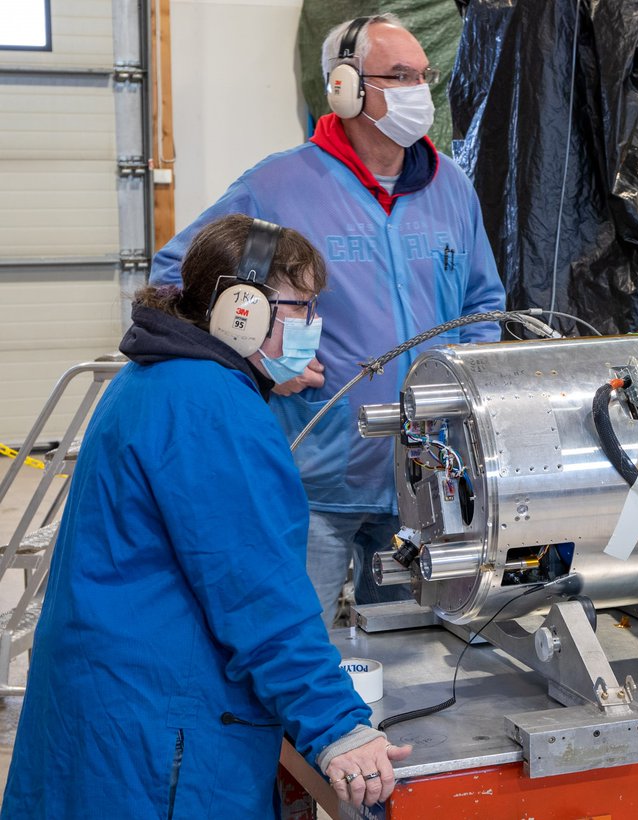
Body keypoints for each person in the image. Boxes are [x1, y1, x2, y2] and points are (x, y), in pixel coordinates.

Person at [1, 215, 409, 818]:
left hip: (108, 698)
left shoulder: (157, 374)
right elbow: (256, 594)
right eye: (301, 306)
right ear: (243, 310)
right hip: (160, 723)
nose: (313, 325)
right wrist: (337, 726)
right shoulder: (213, 408)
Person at [149, 14, 506, 626]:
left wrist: (463, 398)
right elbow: (173, 276)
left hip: (426, 481)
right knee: (289, 646)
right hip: (312, 483)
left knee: (412, 657)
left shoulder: (452, 187)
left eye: (424, 75)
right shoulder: (278, 188)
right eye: (399, 76)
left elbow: (483, 305)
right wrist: (255, 357)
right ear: (344, 87)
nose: (419, 91)